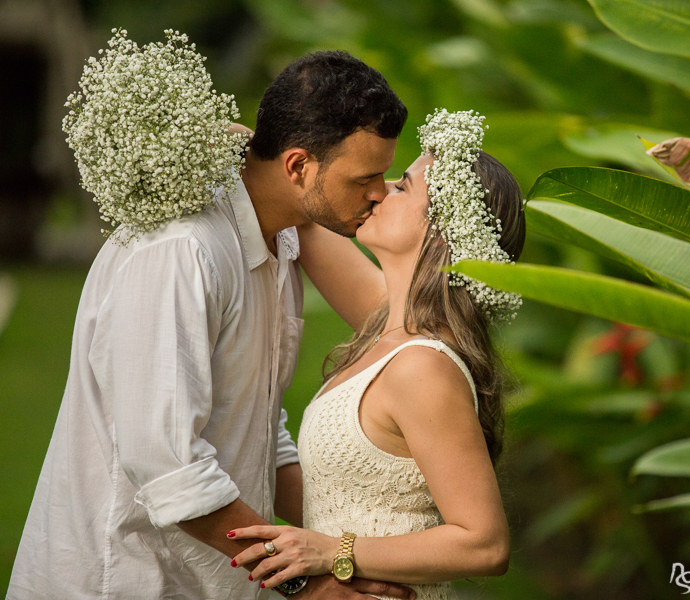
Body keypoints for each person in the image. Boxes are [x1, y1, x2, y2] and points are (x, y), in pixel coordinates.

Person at [8, 50, 416, 600]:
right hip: (123, 582)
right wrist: (311, 585)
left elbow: (256, 424)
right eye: (365, 178)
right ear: (297, 166)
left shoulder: (285, 237)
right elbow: (167, 464)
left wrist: (338, 552)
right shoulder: (183, 250)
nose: (379, 194)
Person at [227, 109, 525, 600]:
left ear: (440, 233)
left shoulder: (423, 366)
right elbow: (304, 213)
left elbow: (484, 544)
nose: (379, 190)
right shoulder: (393, 330)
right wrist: (260, 148)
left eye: (403, 187)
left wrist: (334, 552)